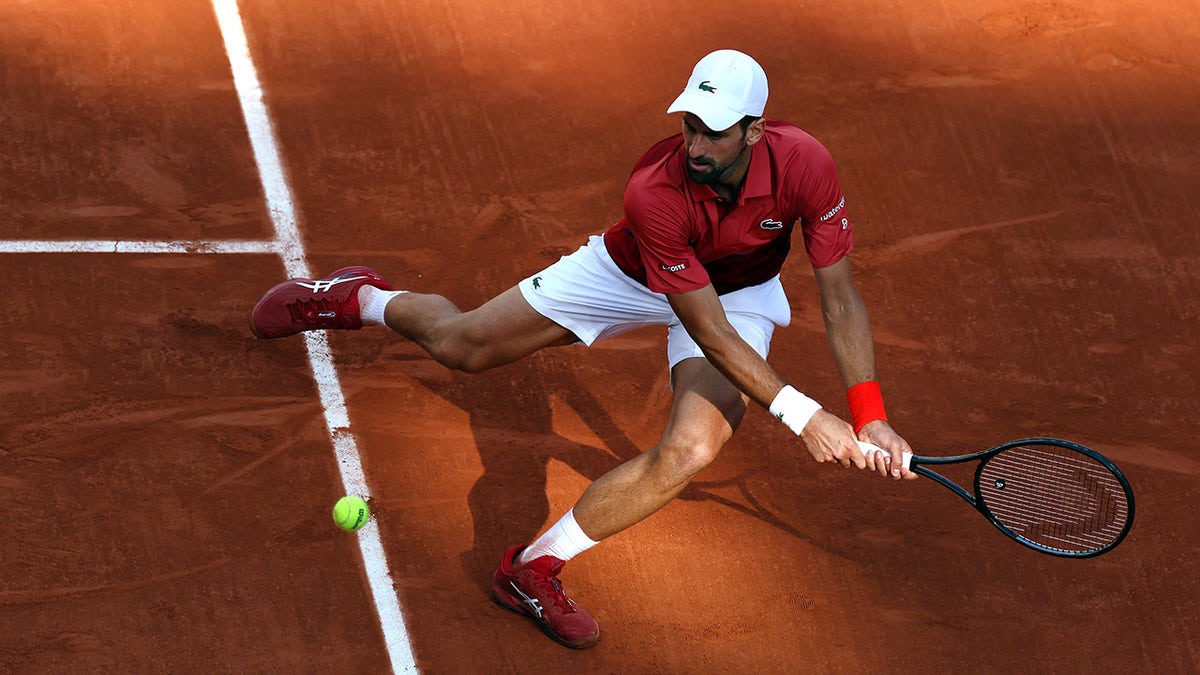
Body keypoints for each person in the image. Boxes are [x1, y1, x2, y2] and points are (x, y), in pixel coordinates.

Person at [250, 49, 916, 650]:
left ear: (754, 130)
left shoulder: (807, 165)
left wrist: (868, 411)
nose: (696, 142)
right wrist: (804, 415)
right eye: (690, 123)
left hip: (737, 292)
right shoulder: (655, 190)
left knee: (690, 448)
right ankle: (358, 299)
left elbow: (840, 298)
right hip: (629, 275)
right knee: (461, 347)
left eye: (715, 129)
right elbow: (706, 331)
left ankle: (532, 567)